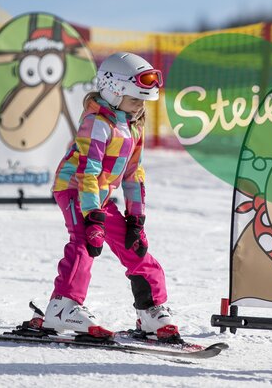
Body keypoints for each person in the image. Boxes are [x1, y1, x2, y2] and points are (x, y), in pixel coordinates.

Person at [24, 51, 181, 343]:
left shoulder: (134, 126)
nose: (140, 107)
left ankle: (150, 310)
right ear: (114, 90)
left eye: (143, 101)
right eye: (135, 99)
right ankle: (63, 306)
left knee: (134, 248)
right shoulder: (97, 122)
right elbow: (88, 170)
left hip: (100, 196)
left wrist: (136, 219)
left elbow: (134, 174)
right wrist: (92, 216)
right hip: (75, 188)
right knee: (85, 239)